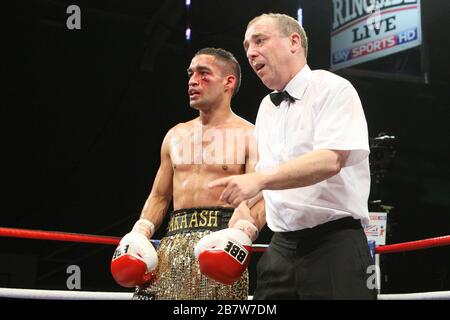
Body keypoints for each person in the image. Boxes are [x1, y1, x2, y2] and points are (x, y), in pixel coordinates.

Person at [209, 13, 377, 299]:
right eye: (247, 45)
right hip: (280, 249)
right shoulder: (266, 108)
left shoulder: (332, 88)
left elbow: (329, 160)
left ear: (294, 42)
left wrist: (257, 180)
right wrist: (241, 217)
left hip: (335, 244)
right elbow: (265, 179)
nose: (250, 52)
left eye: (260, 40)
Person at [110, 47, 265, 300]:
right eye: (191, 74)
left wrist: (243, 233)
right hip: (170, 248)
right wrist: (139, 233)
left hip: (219, 248)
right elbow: (159, 197)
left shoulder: (251, 135)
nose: (193, 81)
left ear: (229, 81)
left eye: (204, 74)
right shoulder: (175, 135)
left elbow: (261, 198)